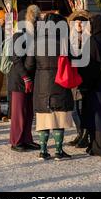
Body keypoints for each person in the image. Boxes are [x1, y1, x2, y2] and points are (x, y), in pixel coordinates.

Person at [25, 13, 74, 161]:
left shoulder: (35, 42)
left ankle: (43, 150)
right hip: (60, 82)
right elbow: (72, 60)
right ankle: (59, 151)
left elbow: (28, 65)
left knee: (44, 119)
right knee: (59, 117)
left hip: (41, 84)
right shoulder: (63, 42)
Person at [8, 6, 41, 152]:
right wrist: (26, 77)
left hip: (30, 77)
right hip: (19, 79)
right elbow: (16, 59)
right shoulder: (19, 35)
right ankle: (16, 140)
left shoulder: (32, 35)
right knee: (19, 112)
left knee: (28, 111)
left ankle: (27, 138)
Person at [81, 15, 101, 156]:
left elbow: (87, 64)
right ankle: (100, 146)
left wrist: (84, 83)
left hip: (94, 83)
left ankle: (97, 146)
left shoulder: (92, 41)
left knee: (94, 115)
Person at [66, 9, 91, 148]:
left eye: (81, 22)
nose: (79, 25)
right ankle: (79, 133)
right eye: (76, 23)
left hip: (84, 77)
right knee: (74, 109)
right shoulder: (71, 39)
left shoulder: (88, 38)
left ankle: (85, 135)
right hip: (73, 77)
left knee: (82, 108)